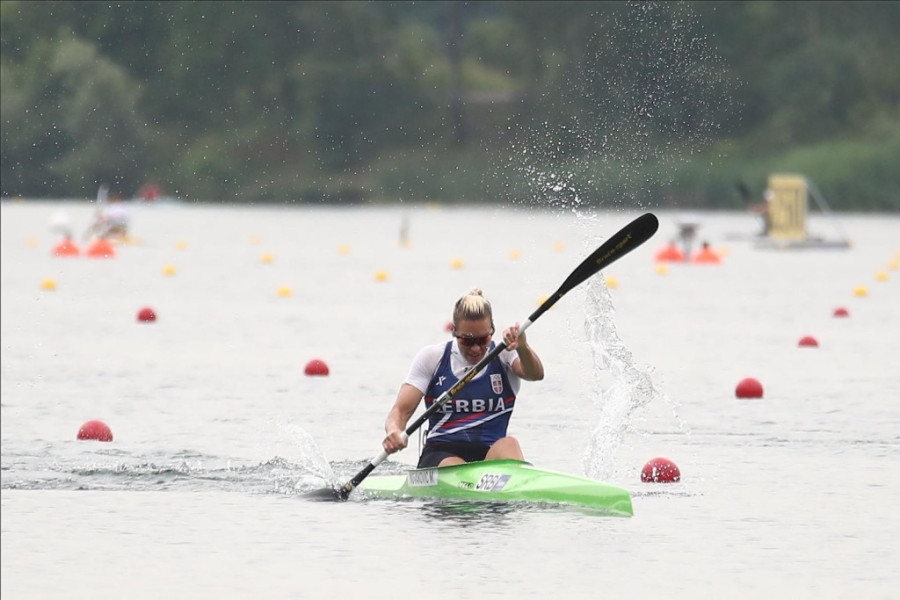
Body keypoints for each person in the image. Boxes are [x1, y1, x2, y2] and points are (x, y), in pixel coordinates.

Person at [382, 288, 544, 468]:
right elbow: (400, 411)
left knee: (510, 444)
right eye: (467, 340)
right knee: (454, 466)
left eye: (483, 340)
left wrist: (522, 347)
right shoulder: (432, 358)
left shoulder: (504, 354)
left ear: (492, 331)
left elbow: (535, 374)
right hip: (441, 454)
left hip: (489, 453)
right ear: (453, 331)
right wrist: (394, 431)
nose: (475, 348)